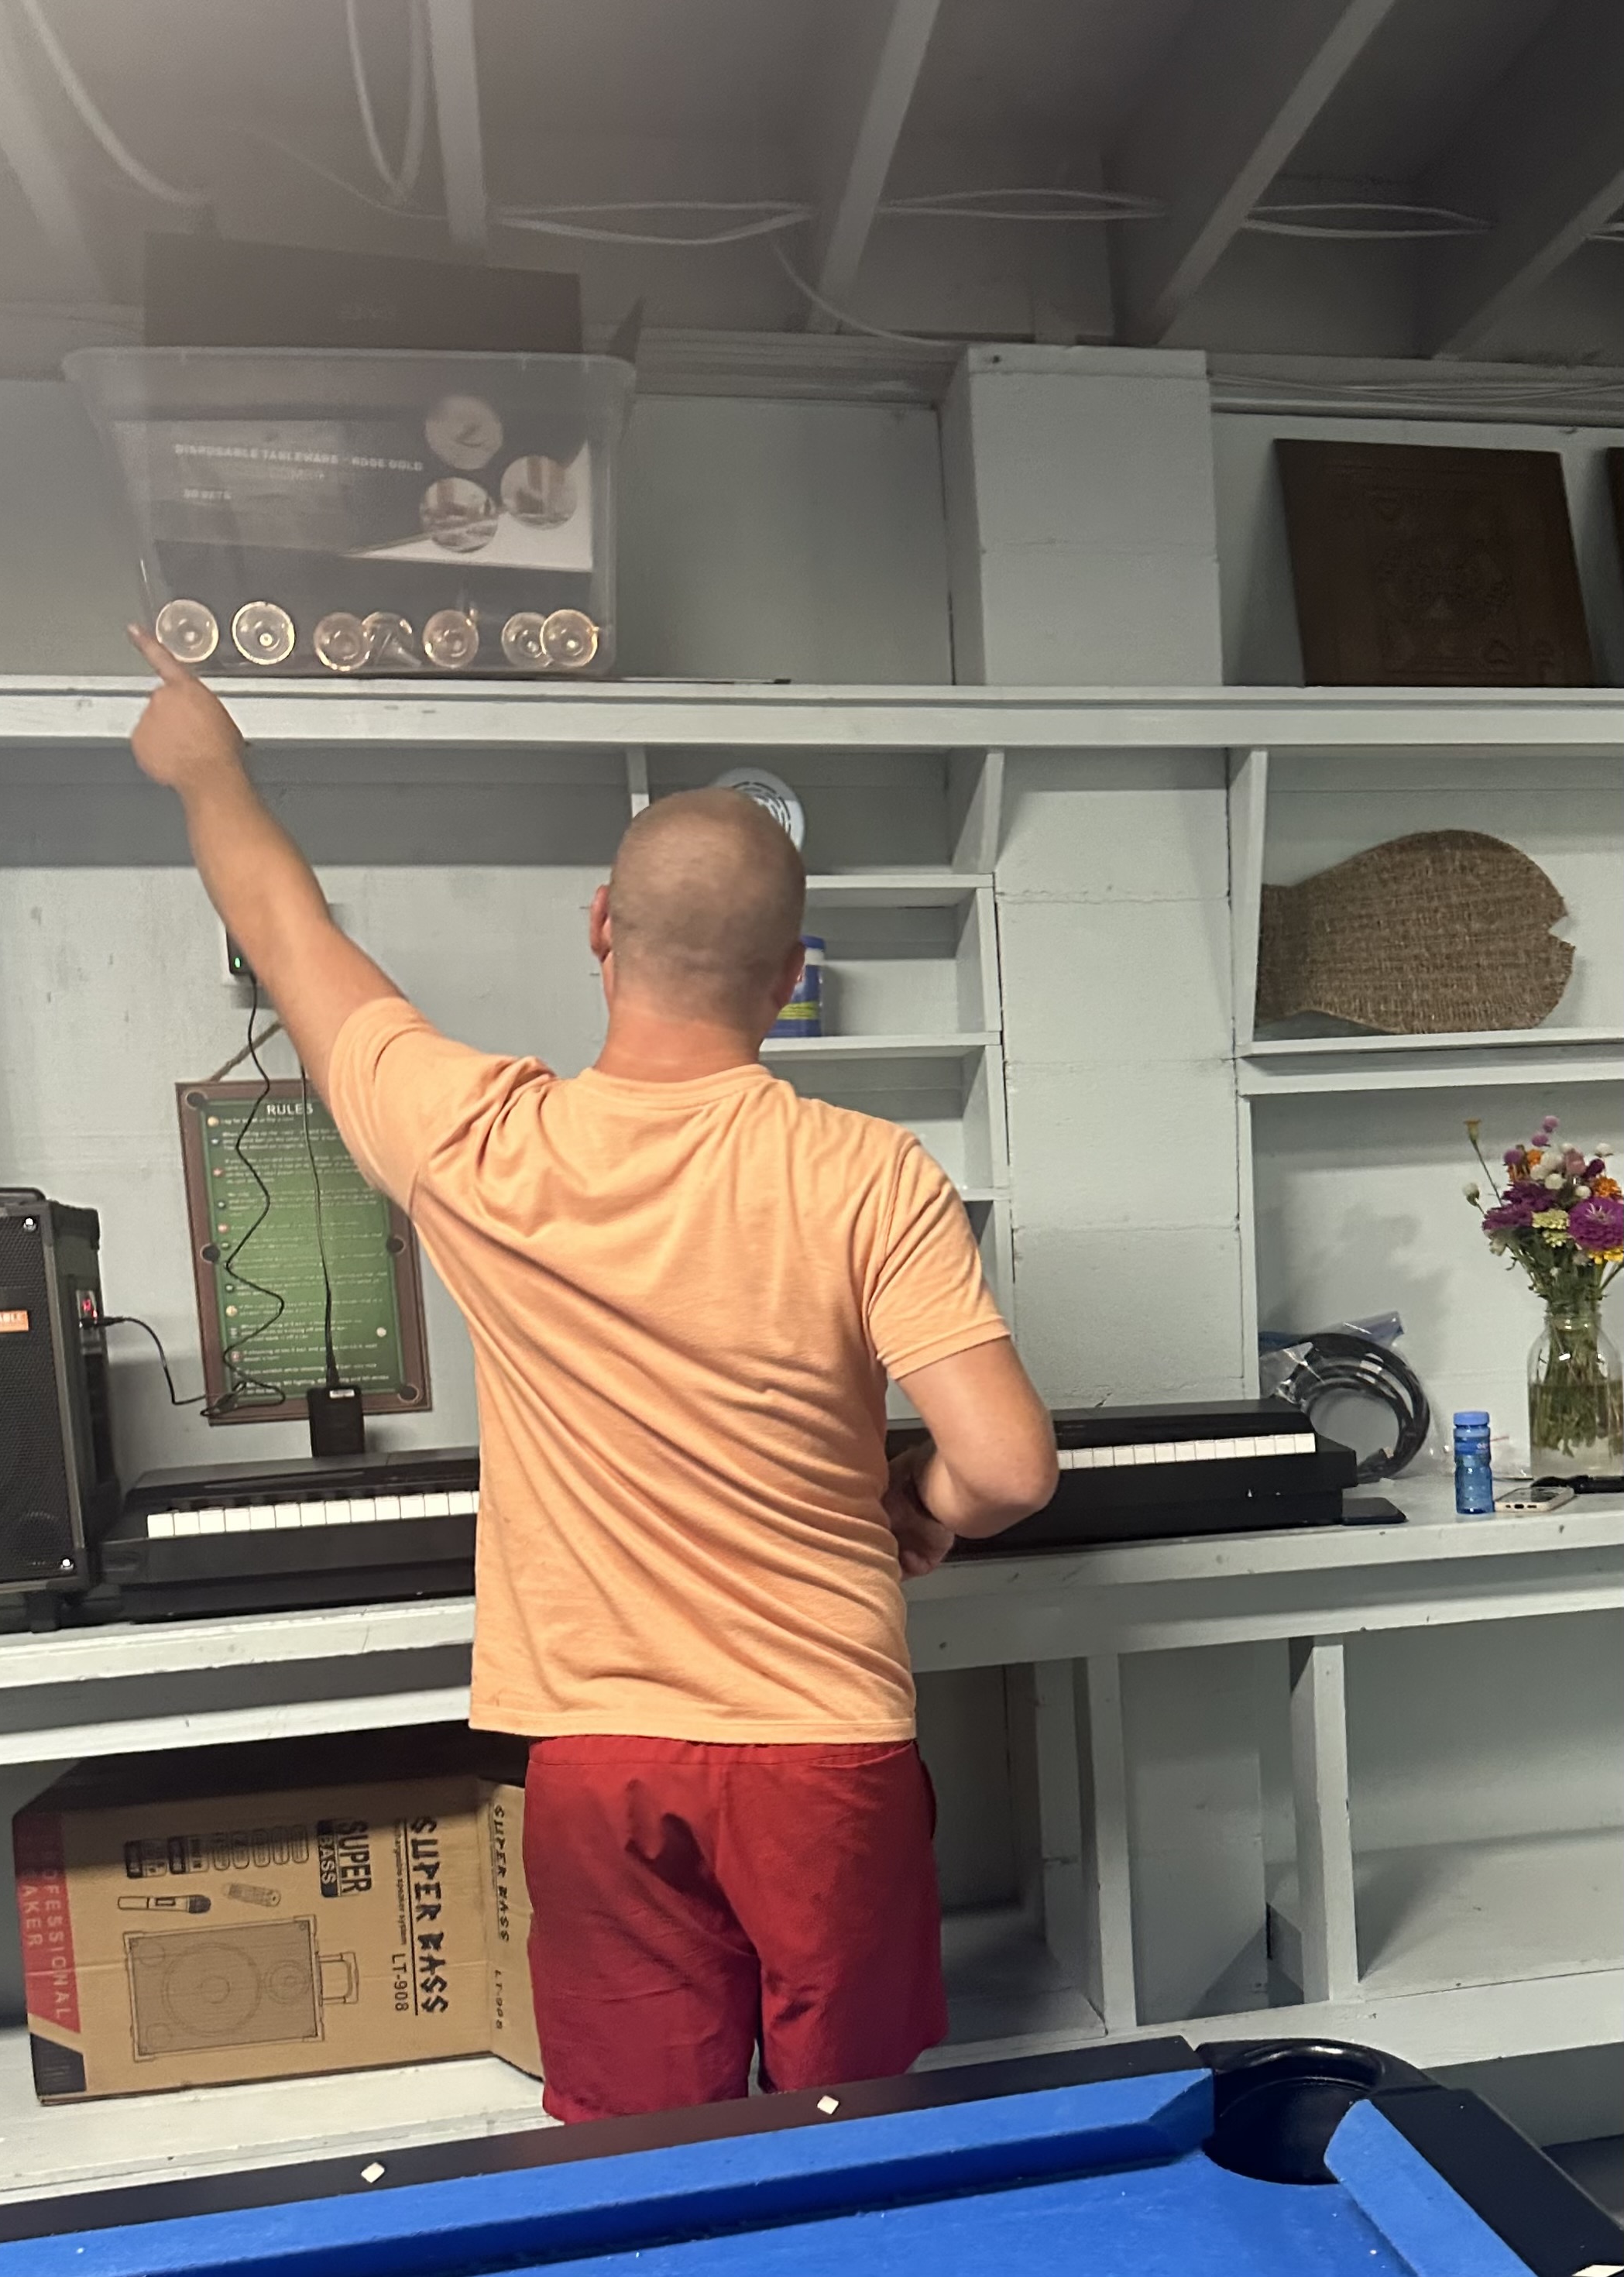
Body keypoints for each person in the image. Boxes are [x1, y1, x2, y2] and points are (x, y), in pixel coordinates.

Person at [125, 625, 1059, 2121]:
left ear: (599, 929)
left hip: (596, 1750)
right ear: (789, 975)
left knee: (643, 2146)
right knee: (853, 2134)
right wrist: (921, 1500)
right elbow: (1007, 1469)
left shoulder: (477, 1141)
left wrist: (206, 767)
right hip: (823, 1743)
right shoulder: (866, 1170)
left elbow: (288, 936)